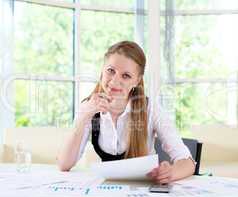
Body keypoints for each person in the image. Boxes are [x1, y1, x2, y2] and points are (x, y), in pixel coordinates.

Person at [57, 41, 195, 184]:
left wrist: (171, 173)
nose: (115, 81)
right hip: (108, 190)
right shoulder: (88, 107)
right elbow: (64, 164)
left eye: (126, 75)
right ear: (102, 70)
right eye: (111, 71)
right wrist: (84, 117)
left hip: (143, 191)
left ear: (137, 80)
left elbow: (188, 163)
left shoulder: (151, 109)